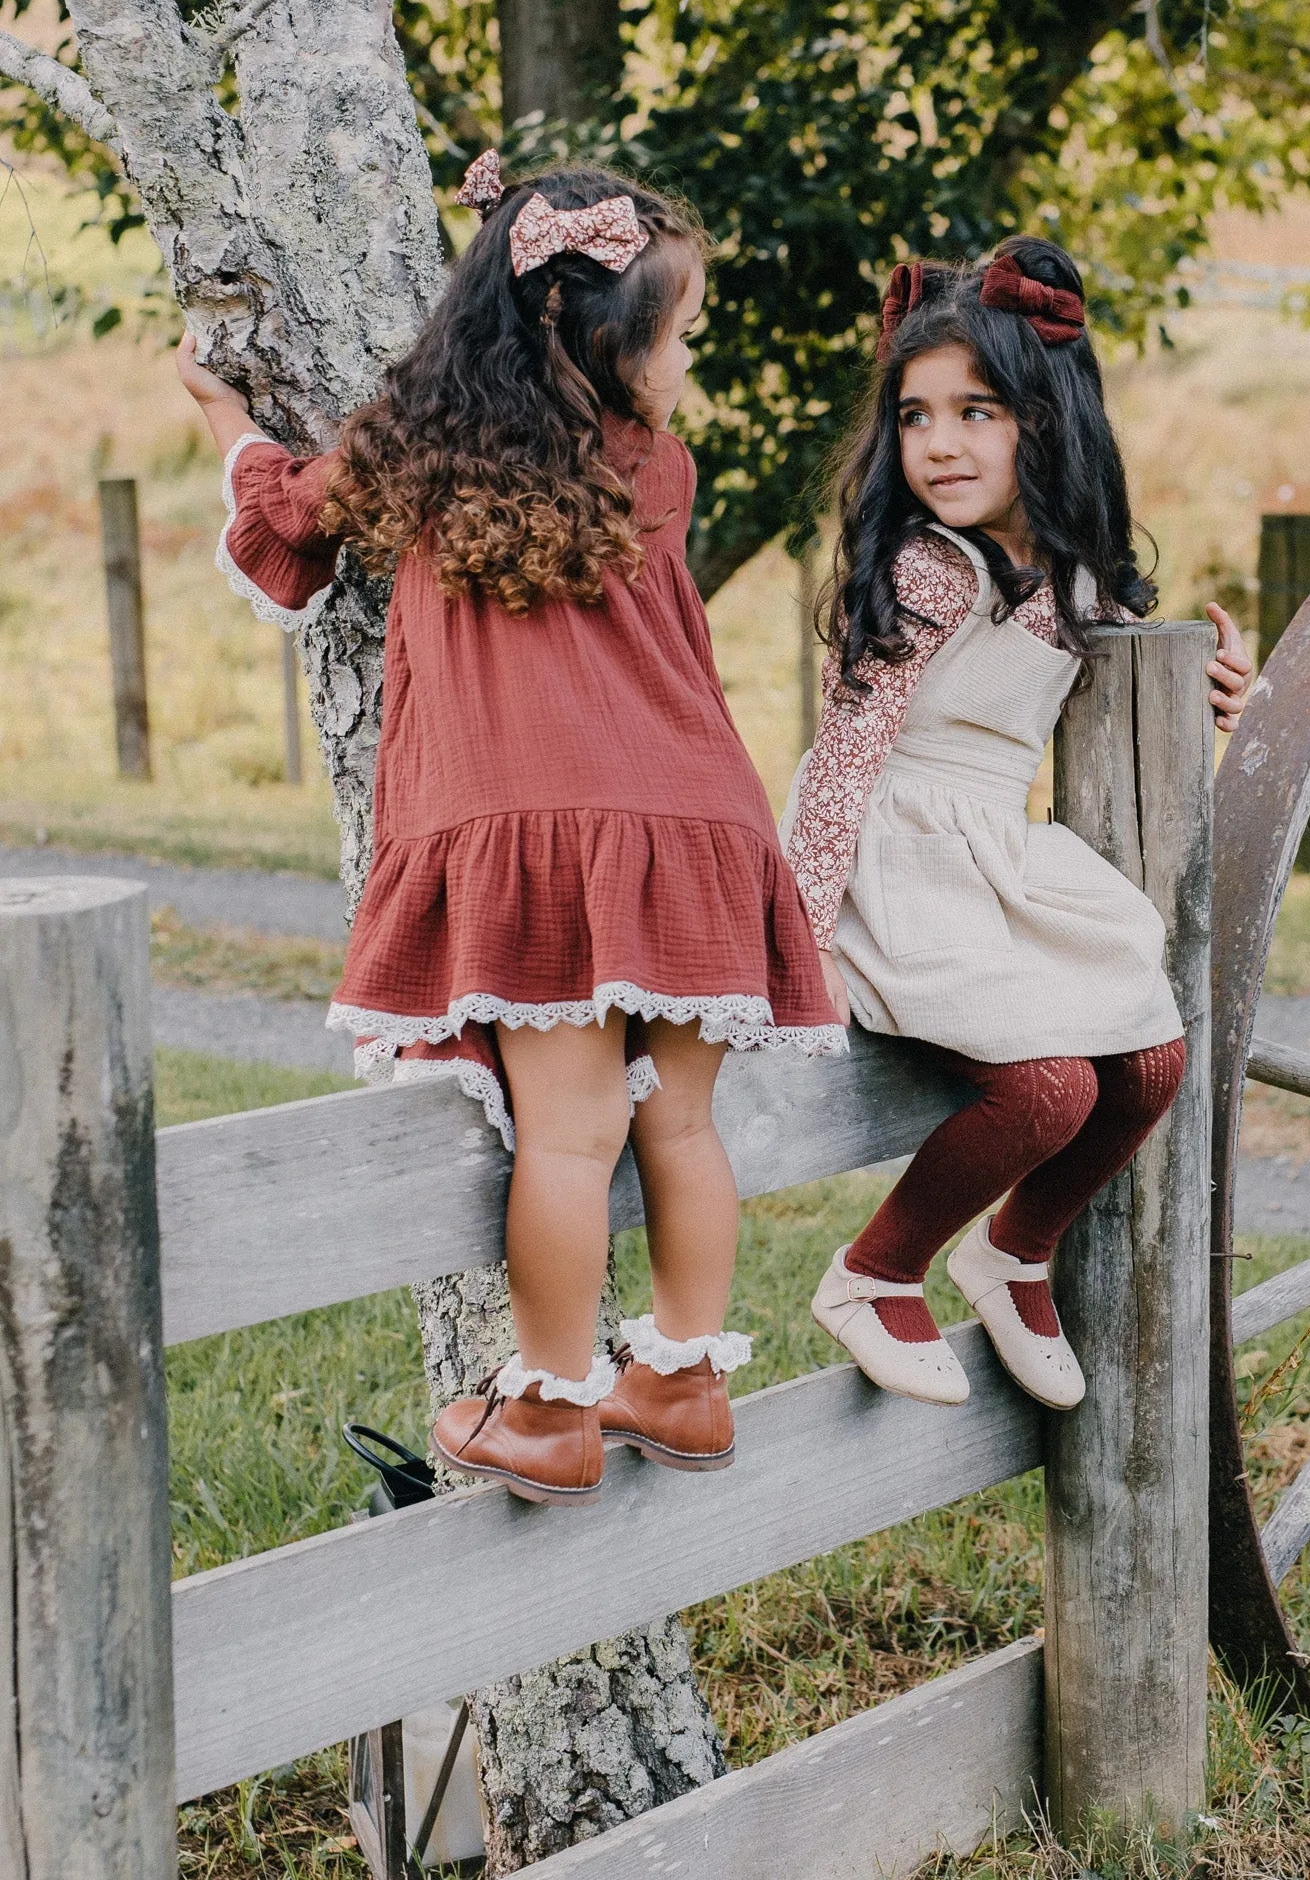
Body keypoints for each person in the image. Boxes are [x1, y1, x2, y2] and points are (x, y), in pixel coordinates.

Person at [178, 150, 846, 1504]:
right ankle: (684, 1378)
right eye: (677, 338)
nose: (685, 367)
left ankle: (545, 1409)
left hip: (536, 830)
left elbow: (290, 526)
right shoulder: (658, 470)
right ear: (593, 338)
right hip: (700, 824)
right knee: (684, 1128)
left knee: (568, 1132)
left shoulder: (413, 454)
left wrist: (222, 422)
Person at [786, 238, 1251, 1409]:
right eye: (915, 416)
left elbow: (1133, 681)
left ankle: (1014, 1250)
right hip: (900, 864)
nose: (939, 443)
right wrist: (790, 932)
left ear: (1043, 421)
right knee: (1048, 1088)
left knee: (1150, 1060)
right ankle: (875, 1269)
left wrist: (1215, 683)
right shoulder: (929, 571)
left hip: (995, 858)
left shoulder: (1071, 580)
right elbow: (844, 756)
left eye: (975, 411)